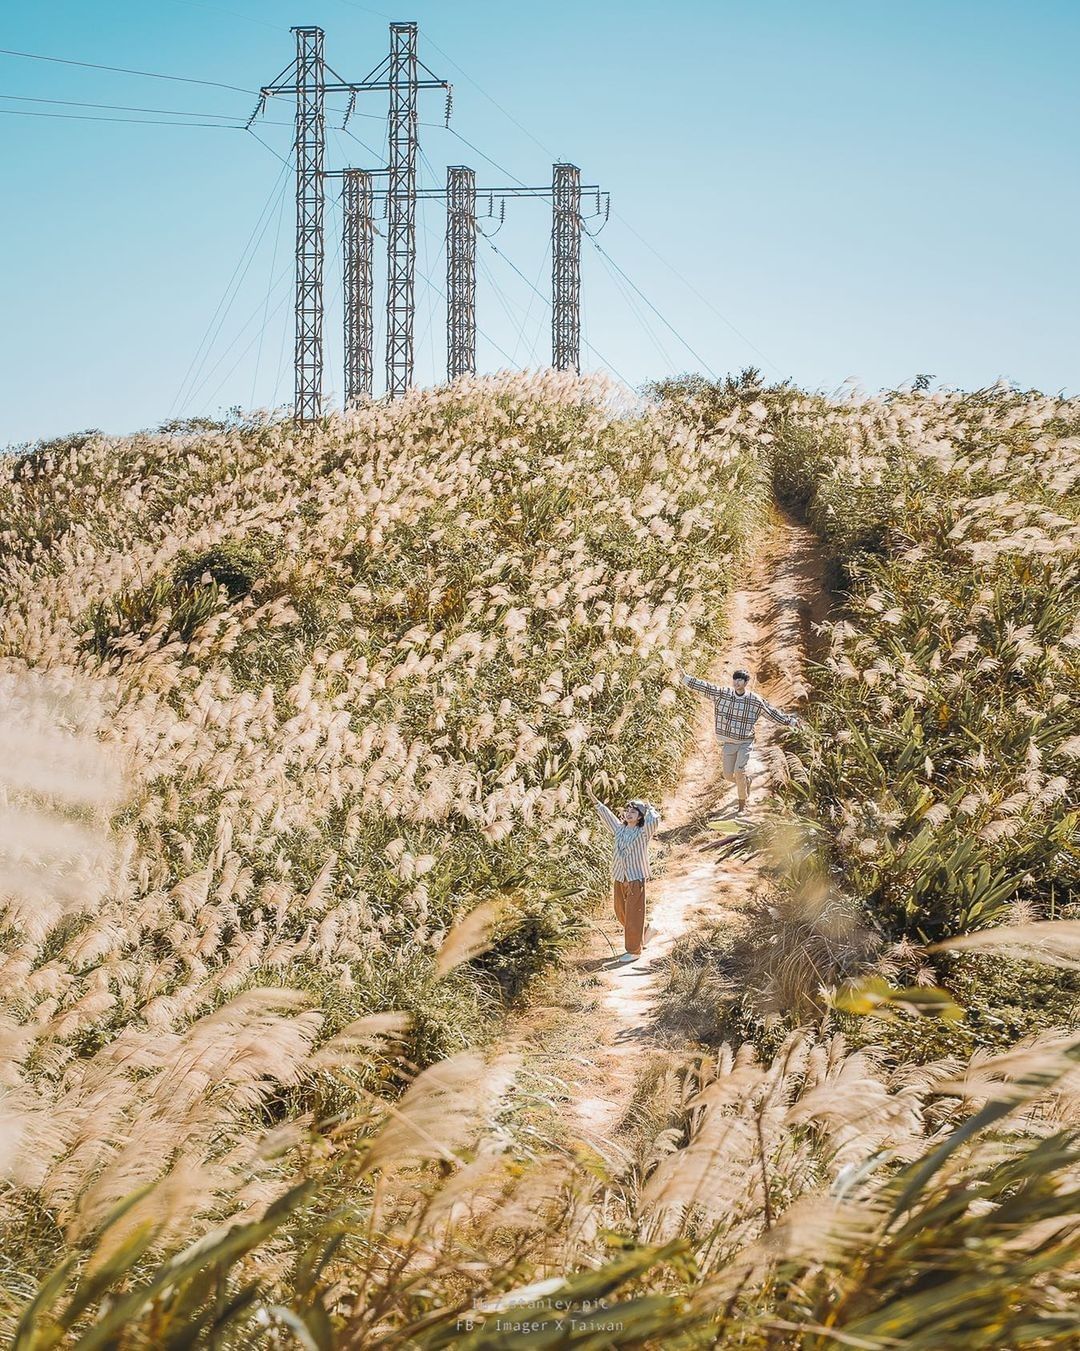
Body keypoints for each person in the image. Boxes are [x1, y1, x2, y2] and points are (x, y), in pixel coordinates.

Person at [680, 666, 800, 812]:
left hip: (745, 742)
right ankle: (746, 781)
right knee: (728, 775)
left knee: (739, 771)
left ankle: (742, 805)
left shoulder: (754, 700)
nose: (737, 682)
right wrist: (686, 679)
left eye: (740, 680)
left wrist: (789, 721)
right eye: (735, 679)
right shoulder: (723, 694)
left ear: (746, 682)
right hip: (729, 742)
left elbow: (770, 712)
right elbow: (707, 688)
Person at [586, 786, 660, 963]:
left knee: (634, 913)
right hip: (619, 876)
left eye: (634, 812)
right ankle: (645, 931)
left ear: (640, 816)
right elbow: (607, 815)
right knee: (620, 912)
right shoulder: (619, 829)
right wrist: (593, 797)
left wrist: (649, 808)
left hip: (635, 877)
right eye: (627, 810)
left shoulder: (643, 833)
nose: (629, 814)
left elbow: (655, 820)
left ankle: (634, 950)